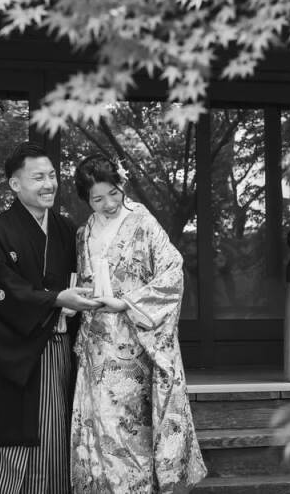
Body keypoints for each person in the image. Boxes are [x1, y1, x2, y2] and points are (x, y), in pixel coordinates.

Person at [70, 154, 207, 493]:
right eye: (97, 198)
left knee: (130, 429)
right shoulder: (83, 232)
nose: (108, 203)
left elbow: (172, 271)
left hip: (134, 342)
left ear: (122, 185)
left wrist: (127, 302)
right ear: (87, 199)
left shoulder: (142, 221)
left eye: (113, 193)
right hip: (97, 343)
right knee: (99, 425)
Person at [0, 142, 100, 494]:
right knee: (11, 437)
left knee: (54, 434)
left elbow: (79, 279)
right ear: (15, 184)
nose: (49, 184)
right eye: (38, 177)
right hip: (14, 353)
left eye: (53, 175)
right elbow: (4, 292)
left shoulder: (63, 227)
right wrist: (57, 298)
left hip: (57, 346)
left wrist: (75, 301)